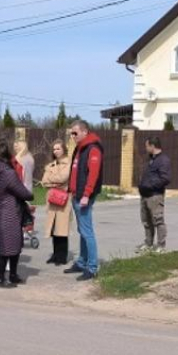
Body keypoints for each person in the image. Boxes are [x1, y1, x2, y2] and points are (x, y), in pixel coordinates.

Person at [64, 120, 104, 281]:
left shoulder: (93, 149)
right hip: (76, 195)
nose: (72, 136)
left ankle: (92, 267)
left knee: (87, 232)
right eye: (71, 133)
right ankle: (82, 262)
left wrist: (87, 194)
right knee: (82, 230)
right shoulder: (80, 149)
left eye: (75, 133)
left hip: (83, 197)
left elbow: (93, 174)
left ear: (84, 132)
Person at [0, 141, 34, 288]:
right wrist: (30, 195)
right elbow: (22, 192)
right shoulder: (8, 173)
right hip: (9, 213)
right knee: (8, 248)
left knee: (12, 246)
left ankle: (13, 275)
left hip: (4, 211)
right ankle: (1, 279)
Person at [137, 137, 171, 254]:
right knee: (146, 221)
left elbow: (165, 178)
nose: (146, 149)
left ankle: (161, 245)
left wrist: (150, 186)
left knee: (158, 220)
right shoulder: (150, 159)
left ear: (152, 146)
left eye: (147, 146)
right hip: (144, 195)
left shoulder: (163, 160)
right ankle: (148, 243)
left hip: (155, 195)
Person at [40, 139, 72, 265]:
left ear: (64, 149)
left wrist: (51, 180)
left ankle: (62, 256)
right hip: (52, 198)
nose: (56, 151)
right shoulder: (50, 165)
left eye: (58, 148)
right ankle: (55, 254)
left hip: (63, 199)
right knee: (53, 228)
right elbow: (44, 181)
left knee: (62, 229)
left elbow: (63, 178)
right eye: (54, 149)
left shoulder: (68, 163)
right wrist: (54, 182)